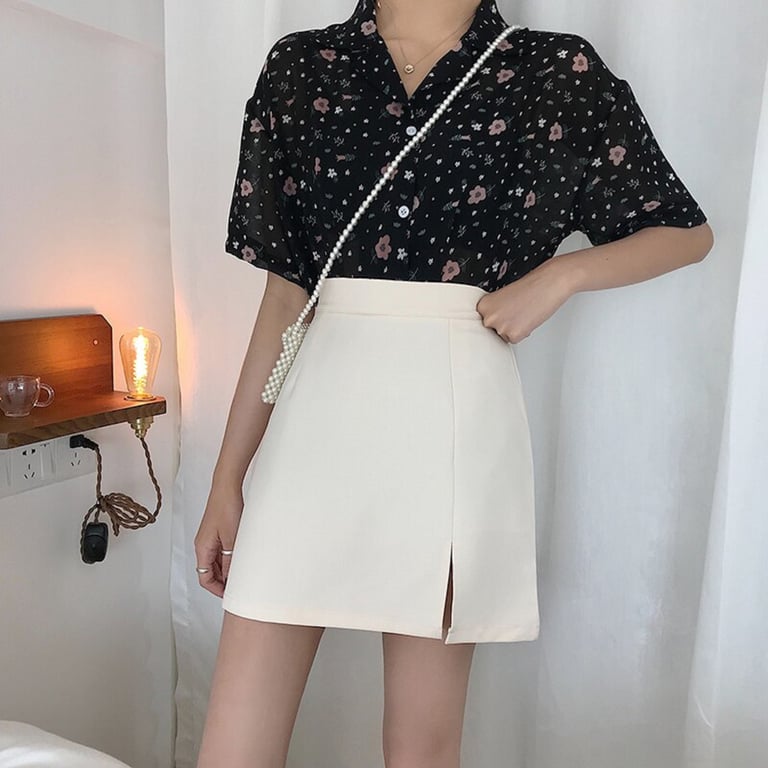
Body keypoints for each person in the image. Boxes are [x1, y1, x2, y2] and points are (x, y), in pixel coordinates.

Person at [194, 0, 714, 765]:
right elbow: (284, 297)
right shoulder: (301, 68)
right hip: (316, 418)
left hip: (455, 414)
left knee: (423, 748)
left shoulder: (553, 71)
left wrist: (561, 276)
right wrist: (226, 480)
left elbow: (685, 231)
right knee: (233, 747)